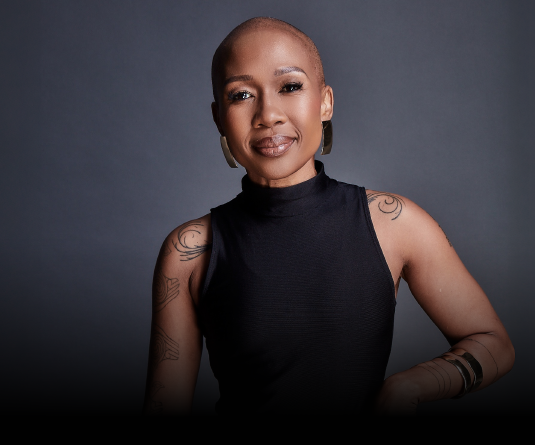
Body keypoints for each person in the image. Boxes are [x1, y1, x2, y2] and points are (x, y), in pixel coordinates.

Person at [143, 16, 514, 416]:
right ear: (219, 117)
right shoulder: (189, 252)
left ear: (325, 102)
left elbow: (493, 342)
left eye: (290, 87)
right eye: (242, 95)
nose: (268, 114)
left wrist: (411, 386)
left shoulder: (394, 223)